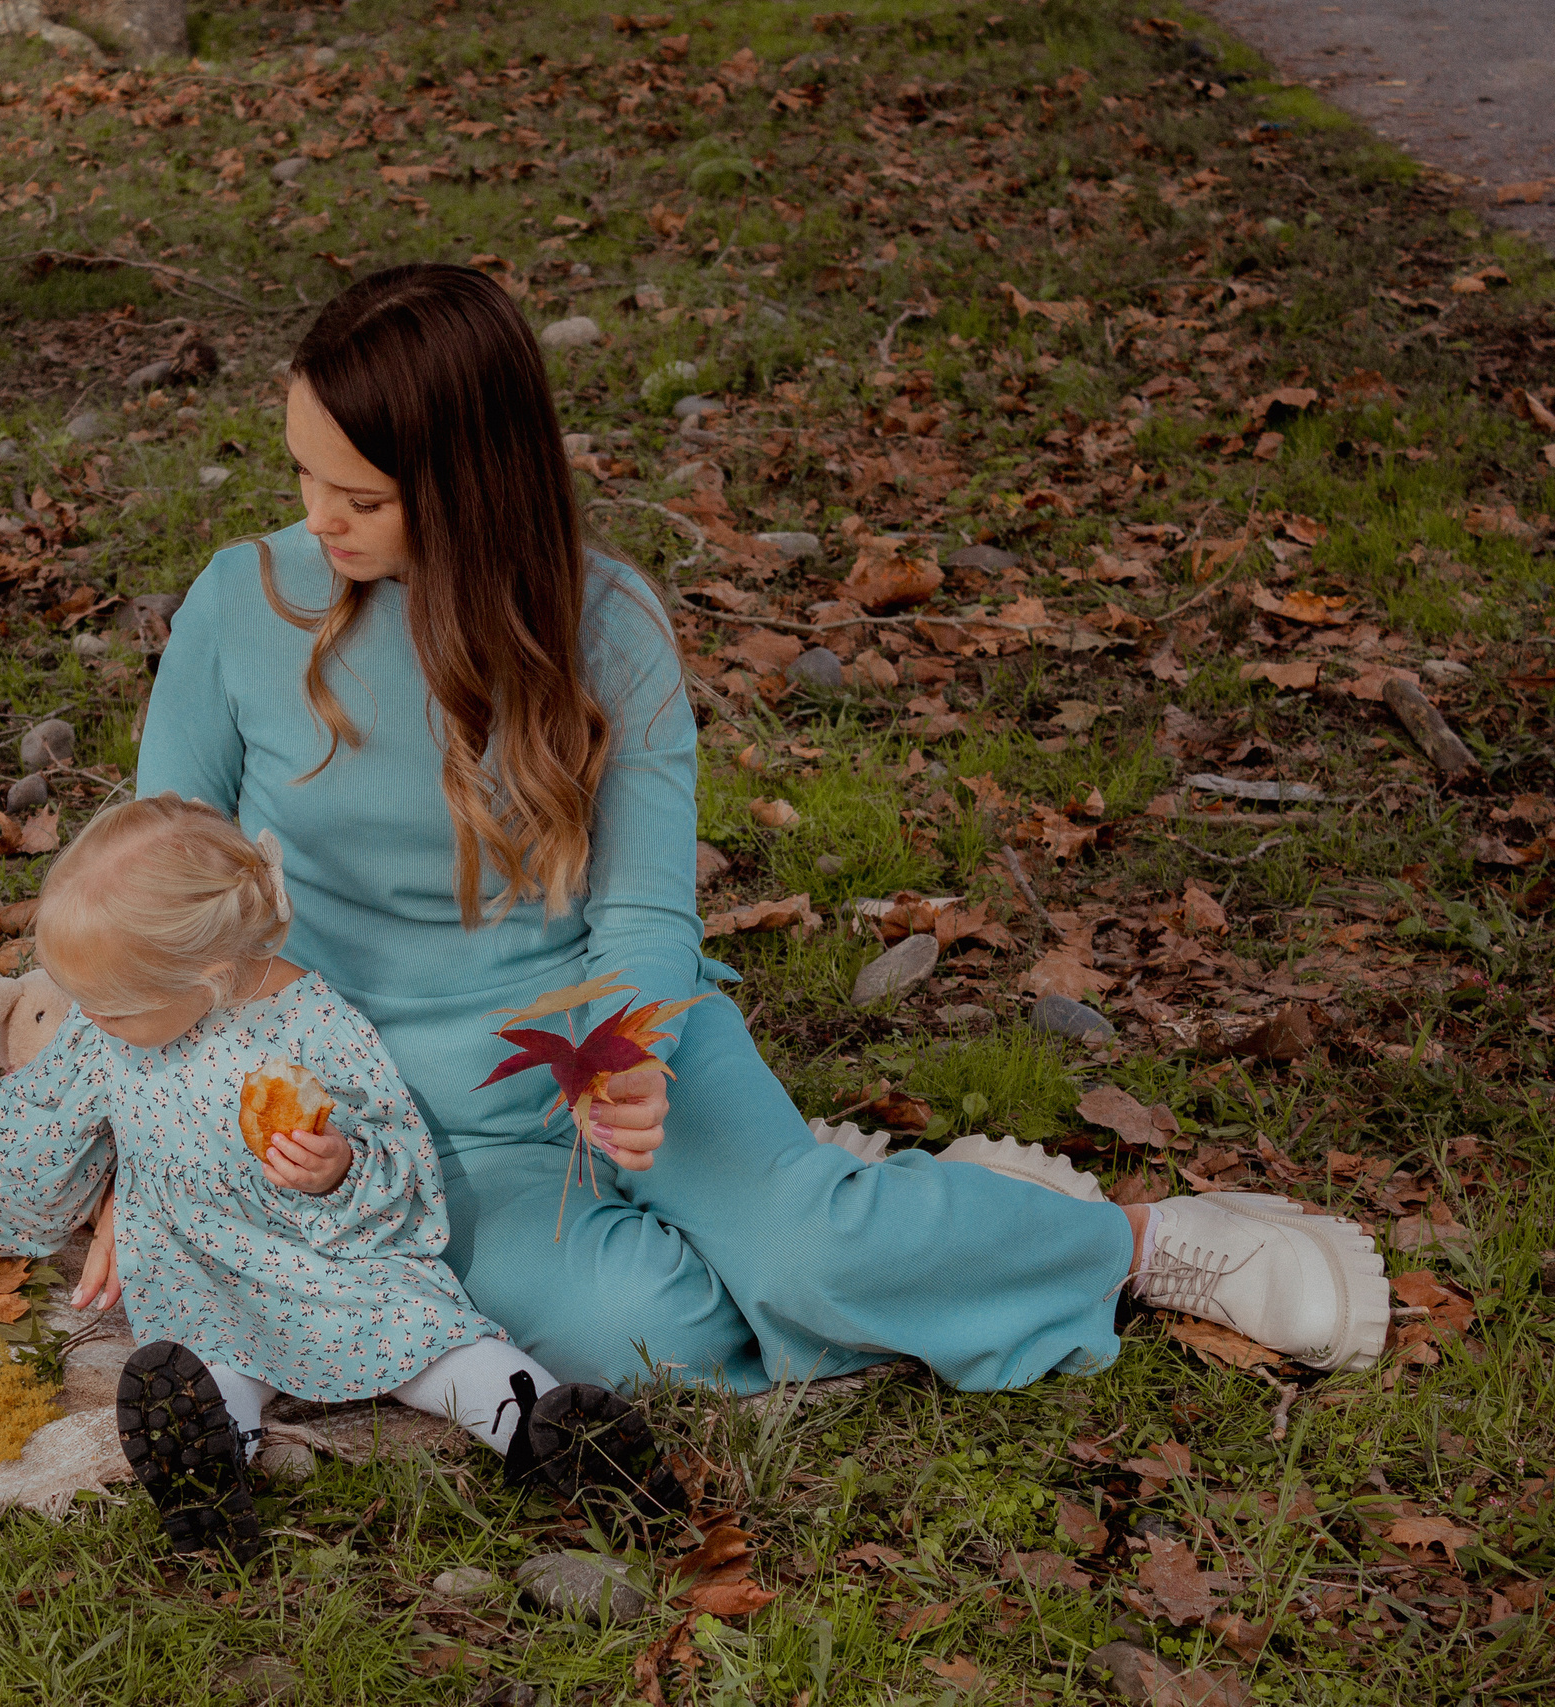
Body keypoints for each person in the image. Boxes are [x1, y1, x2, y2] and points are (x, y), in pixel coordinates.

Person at [114, 263, 1386, 1399]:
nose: (316, 520)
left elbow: (648, 912)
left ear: (467, 488)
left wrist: (633, 1055)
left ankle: (1133, 1241)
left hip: (611, 1034)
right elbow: (153, 897)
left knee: (805, 1249)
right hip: (395, 1106)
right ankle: (891, 1232)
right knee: (625, 1339)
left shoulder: (603, 624)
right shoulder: (241, 603)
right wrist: (150, 1148)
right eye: (303, 476)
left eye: (361, 497)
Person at [0, 795, 665, 1555]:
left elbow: (398, 1151)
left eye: (111, 1005)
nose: (89, 1019)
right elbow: (28, 1127)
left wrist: (339, 1166)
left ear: (206, 979)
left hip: (336, 1260)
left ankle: (555, 1432)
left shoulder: (315, 1025)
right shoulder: (109, 1036)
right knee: (206, 1369)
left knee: (437, 1339)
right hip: (202, 1264)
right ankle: (205, 1475)